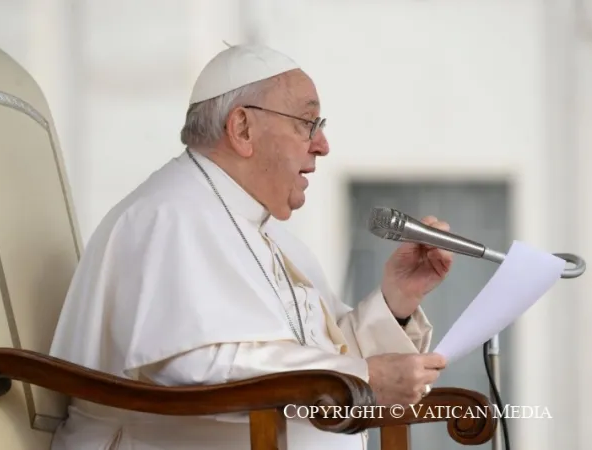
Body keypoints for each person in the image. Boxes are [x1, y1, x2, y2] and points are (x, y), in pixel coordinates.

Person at [48, 43, 452, 450]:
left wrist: (396, 300)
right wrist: (360, 377)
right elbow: (194, 368)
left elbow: (316, 353)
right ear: (242, 129)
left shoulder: (269, 236)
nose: (322, 145)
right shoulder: (167, 216)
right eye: (307, 123)